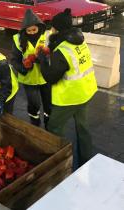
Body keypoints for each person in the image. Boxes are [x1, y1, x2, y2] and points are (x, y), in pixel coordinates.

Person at [38, 8, 97, 169]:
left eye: (53, 27)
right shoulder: (79, 40)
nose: (51, 30)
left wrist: (42, 60)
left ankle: (59, 163)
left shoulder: (63, 49)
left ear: (58, 29)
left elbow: (50, 77)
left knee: (54, 128)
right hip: (86, 92)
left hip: (69, 97)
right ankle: (86, 161)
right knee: (83, 127)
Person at [11, 9, 51, 128]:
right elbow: (14, 59)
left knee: (48, 104)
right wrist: (23, 67)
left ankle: (49, 124)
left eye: (34, 29)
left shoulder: (47, 37)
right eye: (29, 30)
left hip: (46, 78)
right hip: (29, 79)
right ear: (24, 30)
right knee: (34, 104)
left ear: (39, 27)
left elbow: (54, 55)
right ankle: (35, 123)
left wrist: (43, 59)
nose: (32, 32)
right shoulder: (18, 40)